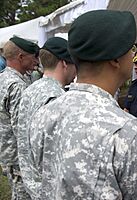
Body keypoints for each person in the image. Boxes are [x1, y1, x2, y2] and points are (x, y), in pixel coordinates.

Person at [27, 10, 137, 199]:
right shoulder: (129, 133)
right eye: (131, 51)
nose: (134, 59)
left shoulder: (44, 113)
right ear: (116, 59)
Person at [17, 37, 76, 199]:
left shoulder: (31, 89)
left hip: (31, 181)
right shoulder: (56, 98)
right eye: (74, 65)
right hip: (48, 189)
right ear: (64, 64)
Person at [0, 36, 39, 199]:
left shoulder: (3, 78)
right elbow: (21, 129)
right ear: (21, 57)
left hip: (8, 152)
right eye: (33, 56)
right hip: (19, 157)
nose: (36, 61)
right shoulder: (17, 86)